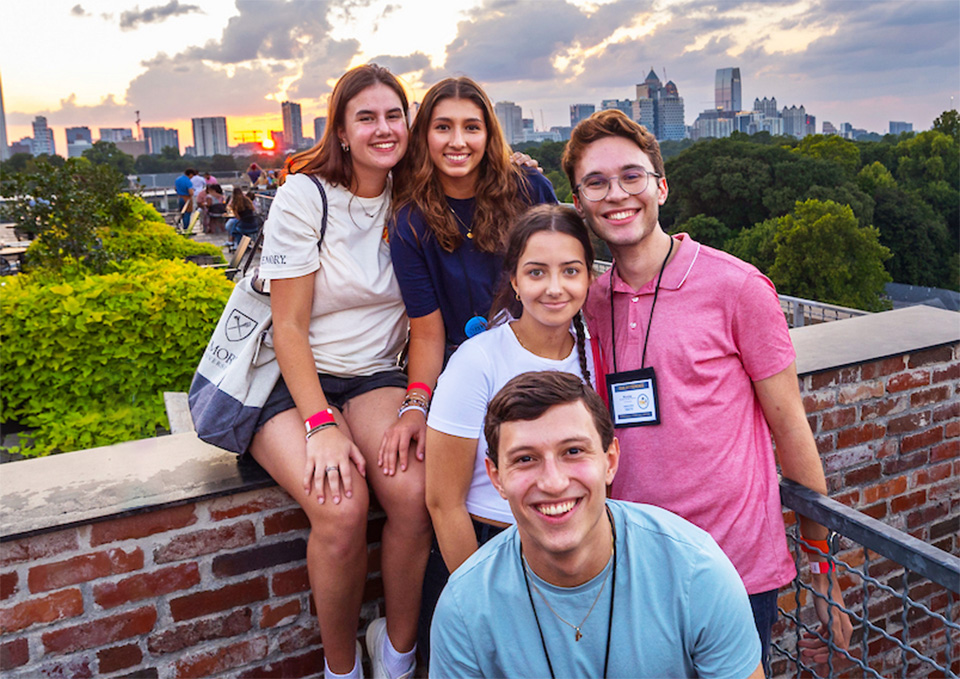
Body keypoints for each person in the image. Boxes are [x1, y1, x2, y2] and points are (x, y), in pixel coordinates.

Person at [562, 109, 852, 674]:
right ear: (580, 203)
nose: (616, 193)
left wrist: (824, 576)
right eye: (595, 182)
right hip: (631, 573)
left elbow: (791, 430)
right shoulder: (588, 303)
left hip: (733, 572)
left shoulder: (736, 287)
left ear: (661, 186)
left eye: (631, 176)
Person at [251, 64, 430, 679]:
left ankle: (397, 652)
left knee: (413, 494)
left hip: (373, 373)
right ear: (343, 131)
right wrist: (321, 424)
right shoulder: (308, 194)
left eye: (394, 115)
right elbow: (288, 327)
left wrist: (524, 175)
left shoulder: (414, 196)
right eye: (366, 117)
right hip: (290, 380)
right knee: (342, 505)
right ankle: (341, 666)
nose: (384, 129)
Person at [431, 370, 764, 679]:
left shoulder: (696, 572)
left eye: (573, 451)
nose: (553, 482)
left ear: (610, 461)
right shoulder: (464, 608)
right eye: (525, 459)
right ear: (496, 478)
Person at [423, 205, 597, 652]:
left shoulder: (596, 353)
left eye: (571, 271)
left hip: (575, 555)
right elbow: (443, 502)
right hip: (488, 550)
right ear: (516, 281)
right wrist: (482, 602)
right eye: (537, 272)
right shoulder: (477, 361)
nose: (555, 288)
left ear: (589, 278)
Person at [383, 75, 557, 473]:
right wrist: (416, 405)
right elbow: (426, 331)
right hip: (465, 375)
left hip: (543, 360)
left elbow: (567, 277)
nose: (457, 141)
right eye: (443, 127)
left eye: (471, 127)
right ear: (424, 136)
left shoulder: (529, 190)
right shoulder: (411, 221)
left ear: (488, 134)